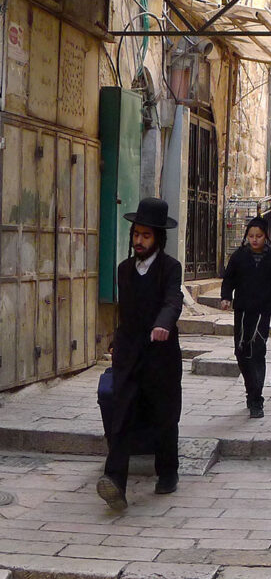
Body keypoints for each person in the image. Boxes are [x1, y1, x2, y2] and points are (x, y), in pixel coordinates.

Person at [97, 197, 184, 511]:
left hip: (161, 356)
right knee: (120, 417)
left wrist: (163, 324)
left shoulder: (171, 268)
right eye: (136, 235)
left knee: (164, 415)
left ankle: (168, 472)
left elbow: (173, 301)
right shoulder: (124, 269)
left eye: (146, 236)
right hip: (129, 355)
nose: (139, 241)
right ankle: (115, 482)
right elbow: (127, 313)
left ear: (157, 238)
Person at [219, 216, 271, 418]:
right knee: (241, 351)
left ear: (265, 237)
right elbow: (229, 279)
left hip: (263, 310)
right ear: (247, 237)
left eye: (259, 236)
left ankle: (256, 399)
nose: (255, 240)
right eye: (251, 236)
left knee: (258, 350)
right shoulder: (238, 257)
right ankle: (251, 389)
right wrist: (226, 297)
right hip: (243, 310)